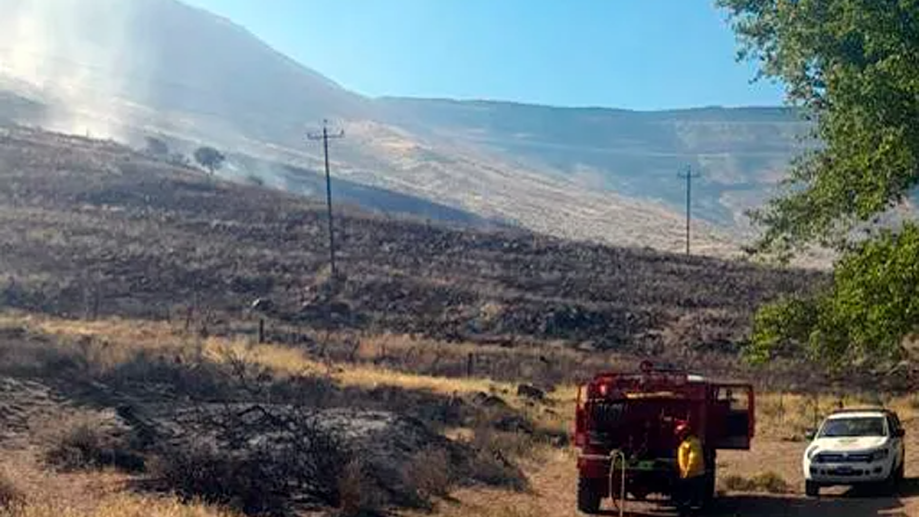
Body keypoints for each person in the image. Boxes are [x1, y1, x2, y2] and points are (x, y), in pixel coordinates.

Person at [674, 421, 705, 515]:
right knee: (686, 497)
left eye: (680, 433)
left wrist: (687, 473)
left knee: (691, 497)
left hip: (693, 475)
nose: (679, 436)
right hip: (689, 474)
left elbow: (694, 460)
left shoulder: (693, 443)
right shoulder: (685, 443)